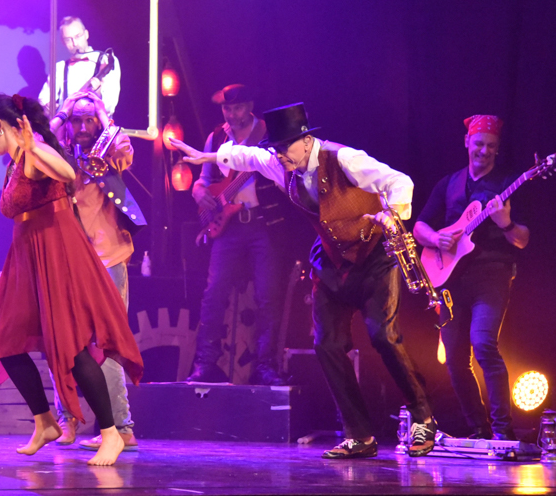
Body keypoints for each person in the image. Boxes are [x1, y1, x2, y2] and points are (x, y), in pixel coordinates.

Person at [170, 102, 439, 459]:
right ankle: (359, 433)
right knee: (327, 344)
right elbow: (248, 156)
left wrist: (391, 214)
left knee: (382, 336)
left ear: (306, 141)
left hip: (374, 254)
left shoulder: (344, 159)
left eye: (284, 149)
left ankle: (423, 417)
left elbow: (399, 182)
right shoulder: (282, 163)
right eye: (276, 150)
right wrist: (207, 158)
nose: (278, 157)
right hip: (331, 260)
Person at [0, 94, 144, 467]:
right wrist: (11, 271)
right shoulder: (15, 162)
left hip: (57, 257)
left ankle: (112, 433)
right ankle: (44, 421)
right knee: (4, 342)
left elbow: (65, 174)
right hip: (29, 261)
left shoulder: (37, 150)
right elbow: (26, 223)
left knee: (72, 348)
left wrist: (31, 145)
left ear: (1, 126)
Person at [414, 115, 528, 441]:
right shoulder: (449, 183)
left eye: (491, 146)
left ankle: (502, 433)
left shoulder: (508, 182)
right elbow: (420, 226)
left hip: (492, 274)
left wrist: (505, 223)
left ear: (497, 149)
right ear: (467, 142)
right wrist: (437, 240)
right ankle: (478, 429)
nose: (484, 151)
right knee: (454, 359)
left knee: (484, 345)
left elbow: (522, 239)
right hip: (451, 280)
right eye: (479, 144)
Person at [48, 91, 146, 452]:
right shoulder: (59, 155)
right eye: (78, 119)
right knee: (62, 341)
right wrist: (61, 113)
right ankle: (67, 419)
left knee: (108, 343)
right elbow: (41, 141)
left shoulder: (107, 150)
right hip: (69, 260)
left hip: (108, 257)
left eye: (90, 119)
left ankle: (122, 428)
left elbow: (123, 150)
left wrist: (103, 115)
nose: (84, 126)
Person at [187, 84, 299, 385]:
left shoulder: (266, 135)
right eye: (226, 109)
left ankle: (266, 366)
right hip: (229, 226)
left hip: (264, 224)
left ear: (249, 106)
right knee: (213, 294)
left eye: (236, 109)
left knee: (267, 296)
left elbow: (287, 173)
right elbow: (202, 181)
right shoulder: (217, 137)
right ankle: (204, 364)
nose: (231, 114)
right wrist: (199, 194)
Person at [39, 17, 121, 117]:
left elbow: (110, 106)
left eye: (78, 36)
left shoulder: (106, 60)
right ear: (63, 42)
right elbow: (44, 98)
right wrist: (47, 107)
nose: (75, 43)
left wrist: (98, 94)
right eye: (68, 39)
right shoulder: (60, 68)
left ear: (86, 34)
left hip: (98, 129)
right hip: (66, 129)